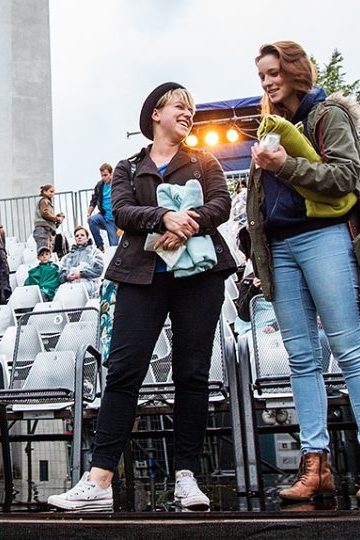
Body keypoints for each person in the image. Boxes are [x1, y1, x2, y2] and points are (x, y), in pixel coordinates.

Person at [48, 82, 236, 511]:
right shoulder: (129, 166)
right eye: (180, 106)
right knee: (124, 371)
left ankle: (186, 477)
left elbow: (221, 206)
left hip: (199, 276)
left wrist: (185, 224)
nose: (188, 113)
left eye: (191, 108)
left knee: (192, 373)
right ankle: (99, 480)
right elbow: (123, 211)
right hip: (140, 275)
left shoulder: (204, 161)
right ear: (156, 113)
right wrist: (164, 217)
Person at [246, 41, 360, 503]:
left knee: (350, 348)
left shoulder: (326, 113)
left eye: (273, 72)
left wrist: (286, 165)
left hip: (325, 237)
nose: (268, 82)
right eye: (261, 76)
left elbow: (347, 179)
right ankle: (315, 464)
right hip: (282, 246)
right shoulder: (272, 124)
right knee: (301, 360)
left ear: (295, 71)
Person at [58, 225, 105, 298]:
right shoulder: (68, 257)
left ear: (87, 238)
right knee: (60, 292)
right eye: (77, 236)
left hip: (89, 283)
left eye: (82, 235)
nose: (79, 237)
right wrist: (67, 277)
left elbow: (98, 270)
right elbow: (61, 275)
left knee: (79, 291)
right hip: (71, 283)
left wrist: (80, 274)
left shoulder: (95, 253)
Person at [86, 163, 119, 251]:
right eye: (102, 176)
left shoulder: (118, 184)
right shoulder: (100, 185)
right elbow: (94, 200)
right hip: (104, 216)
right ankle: (100, 246)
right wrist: (88, 213)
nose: (104, 178)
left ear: (111, 174)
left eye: (106, 175)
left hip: (114, 220)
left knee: (114, 246)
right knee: (92, 220)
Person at [33, 184, 64, 253]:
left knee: (47, 252)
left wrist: (56, 218)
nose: (53, 194)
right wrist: (57, 219)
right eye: (51, 191)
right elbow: (45, 213)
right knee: (44, 252)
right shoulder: (44, 201)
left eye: (53, 192)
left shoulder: (46, 201)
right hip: (43, 230)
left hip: (46, 230)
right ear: (45, 192)